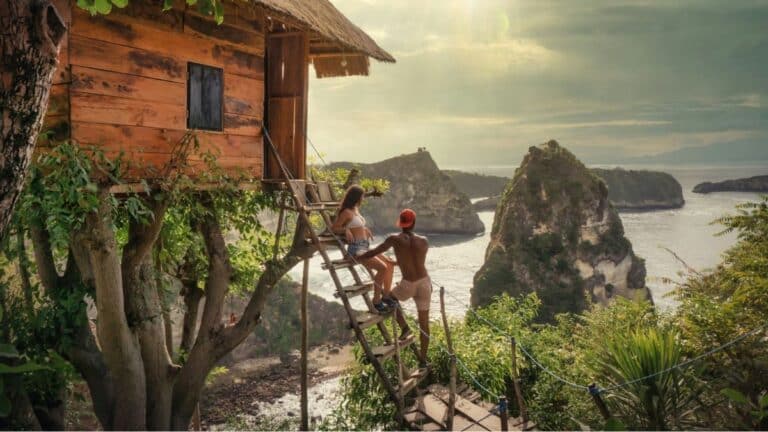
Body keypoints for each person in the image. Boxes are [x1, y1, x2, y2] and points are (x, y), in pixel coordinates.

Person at [358, 208, 431, 367]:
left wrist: (357, 257)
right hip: (425, 283)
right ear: (414, 223)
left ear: (401, 224)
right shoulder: (424, 241)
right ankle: (423, 360)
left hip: (408, 284)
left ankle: (405, 328)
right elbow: (416, 262)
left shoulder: (394, 239)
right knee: (424, 323)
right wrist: (396, 263)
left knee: (389, 298)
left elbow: (375, 252)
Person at [332, 185, 395, 313]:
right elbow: (334, 228)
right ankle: (376, 301)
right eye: (362, 196)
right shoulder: (346, 212)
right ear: (356, 197)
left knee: (389, 263)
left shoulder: (355, 209)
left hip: (365, 246)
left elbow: (356, 225)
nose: (363, 199)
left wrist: (364, 229)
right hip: (356, 250)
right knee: (382, 268)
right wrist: (345, 230)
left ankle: (386, 296)